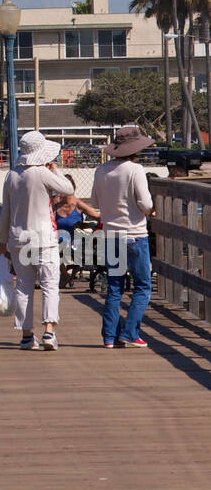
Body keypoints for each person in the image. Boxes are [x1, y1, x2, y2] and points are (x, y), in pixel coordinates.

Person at [0, 131, 73, 351]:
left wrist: (2, 240)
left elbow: (5, 211)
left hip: (19, 238)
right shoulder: (41, 173)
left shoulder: (12, 175)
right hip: (43, 237)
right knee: (50, 284)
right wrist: (55, 169)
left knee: (23, 286)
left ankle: (26, 335)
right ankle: (49, 331)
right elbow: (68, 189)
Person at [91, 125, 155, 348]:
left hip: (111, 235)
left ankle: (110, 337)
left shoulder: (101, 170)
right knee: (142, 287)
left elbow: (96, 204)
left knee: (115, 287)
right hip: (135, 235)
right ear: (135, 148)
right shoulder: (135, 170)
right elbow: (146, 203)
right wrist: (149, 211)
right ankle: (129, 332)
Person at [52, 174, 98, 288]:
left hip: (76, 241)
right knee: (50, 247)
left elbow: (97, 217)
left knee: (54, 248)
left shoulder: (78, 205)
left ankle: (64, 276)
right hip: (59, 240)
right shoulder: (56, 207)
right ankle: (64, 275)